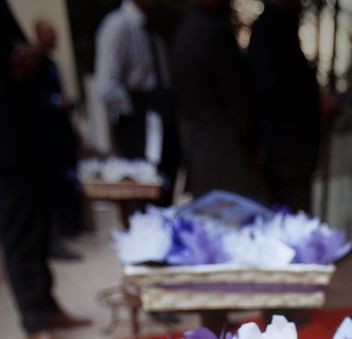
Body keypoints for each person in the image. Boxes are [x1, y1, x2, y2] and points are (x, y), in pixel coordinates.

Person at [0, 1, 90, 339]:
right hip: (7, 150)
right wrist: (38, 47)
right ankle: (34, 322)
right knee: (20, 235)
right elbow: (16, 66)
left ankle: (47, 308)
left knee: (38, 232)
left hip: (28, 144)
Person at [172, 0, 267, 200]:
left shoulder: (185, 30)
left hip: (199, 151)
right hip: (227, 153)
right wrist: (254, 146)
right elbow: (238, 99)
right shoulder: (214, 33)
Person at [95, 0, 179, 204]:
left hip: (161, 115)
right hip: (138, 121)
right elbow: (106, 85)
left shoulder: (152, 33)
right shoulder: (118, 27)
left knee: (165, 185)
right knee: (143, 191)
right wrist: (137, 112)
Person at [248, 0, 320, 212]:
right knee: (286, 219)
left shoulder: (280, 26)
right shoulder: (270, 28)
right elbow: (267, 88)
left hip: (291, 154)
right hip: (282, 154)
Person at [34, 19, 84, 260]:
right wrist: (57, 103)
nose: (55, 40)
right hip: (45, 139)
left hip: (61, 134)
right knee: (53, 189)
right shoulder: (35, 66)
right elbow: (38, 102)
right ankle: (57, 238)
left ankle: (73, 224)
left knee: (68, 182)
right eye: (51, 35)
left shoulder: (51, 65)